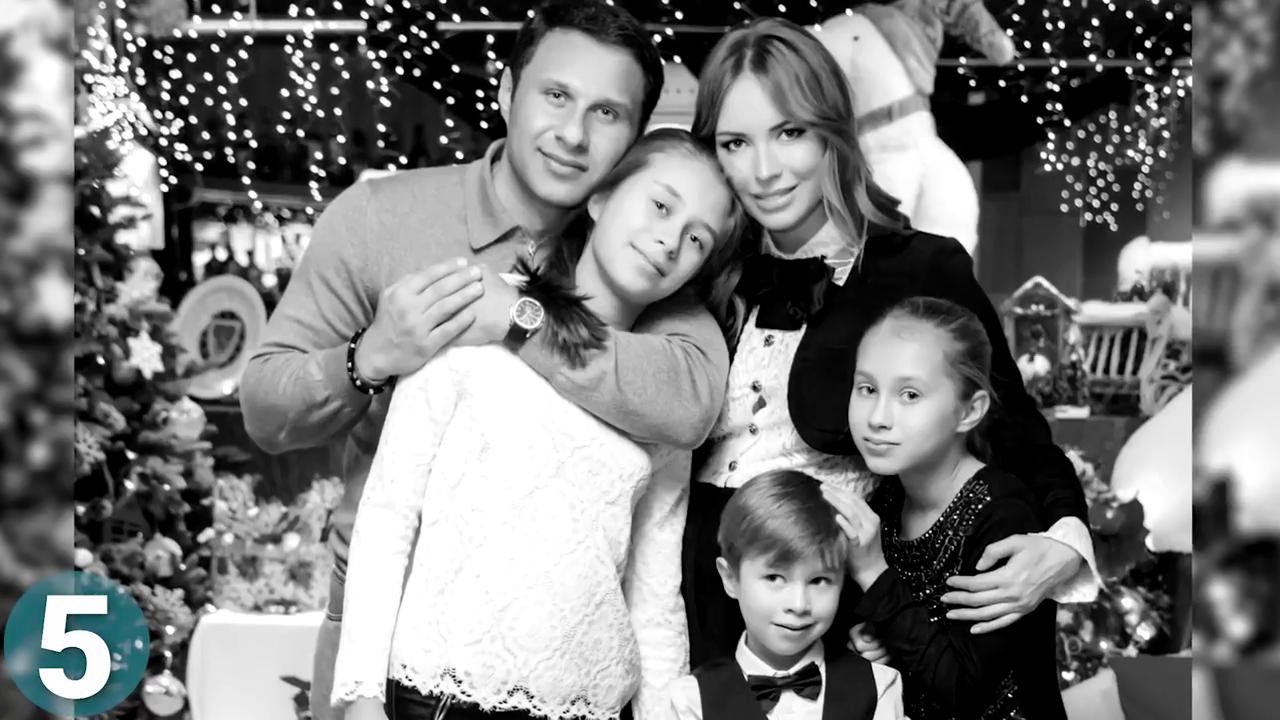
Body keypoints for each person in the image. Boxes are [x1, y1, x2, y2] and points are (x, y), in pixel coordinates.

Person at [237, 3, 729, 718]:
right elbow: (265, 408)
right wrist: (370, 356)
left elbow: (688, 403)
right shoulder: (380, 217)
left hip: (562, 675)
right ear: (505, 92)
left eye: (607, 114)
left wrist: (520, 319)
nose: (573, 133)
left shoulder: (642, 262)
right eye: (555, 95)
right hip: (382, 638)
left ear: (632, 142)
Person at [681, 17, 1100, 668]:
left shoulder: (920, 266)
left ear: (833, 130)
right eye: (736, 142)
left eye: (790, 133)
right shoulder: (702, 271)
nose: (763, 170)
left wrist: (1066, 541)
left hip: (844, 613)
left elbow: (1016, 431)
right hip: (703, 597)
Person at [331, 128, 748, 720]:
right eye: (660, 205)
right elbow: (390, 511)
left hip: (590, 705)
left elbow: (654, 594)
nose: (669, 240)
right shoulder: (477, 309)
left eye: (697, 238)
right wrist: (361, 693)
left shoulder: (660, 388)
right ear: (600, 198)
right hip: (441, 692)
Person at [824, 296, 1066, 720]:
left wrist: (873, 574)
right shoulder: (885, 502)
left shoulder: (1001, 514)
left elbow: (963, 688)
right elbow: (906, 638)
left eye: (909, 394)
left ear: (969, 411)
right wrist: (871, 640)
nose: (877, 417)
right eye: (867, 389)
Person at [664, 471, 903, 720]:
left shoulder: (879, 687)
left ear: (842, 581)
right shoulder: (691, 700)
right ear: (731, 579)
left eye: (819, 581)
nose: (798, 605)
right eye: (774, 578)